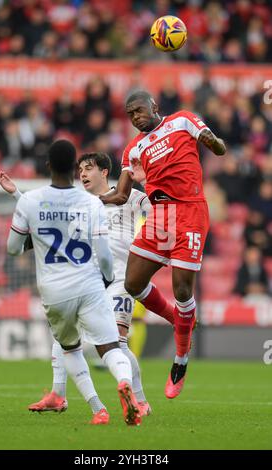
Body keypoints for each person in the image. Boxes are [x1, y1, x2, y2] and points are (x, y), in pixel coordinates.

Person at [0, 152, 154, 418]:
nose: (82, 173)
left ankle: (140, 401)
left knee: (118, 341)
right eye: (80, 169)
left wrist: (148, 181)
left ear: (104, 172)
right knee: (64, 337)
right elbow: (43, 218)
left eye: (89, 168)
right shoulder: (80, 204)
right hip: (89, 279)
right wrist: (17, 195)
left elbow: (163, 208)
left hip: (119, 280)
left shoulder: (132, 197)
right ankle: (58, 393)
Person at [99, 90, 226, 399]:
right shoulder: (133, 149)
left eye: (139, 110)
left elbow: (218, 147)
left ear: (153, 106)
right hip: (161, 214)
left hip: (191, 210)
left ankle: (180, 361)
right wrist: (91, 198)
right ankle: (178, 320)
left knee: (183, 289)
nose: (136, 117)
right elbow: (121, 195)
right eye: (130, 115)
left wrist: (211, 140)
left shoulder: (182, 120)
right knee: (132, 282)